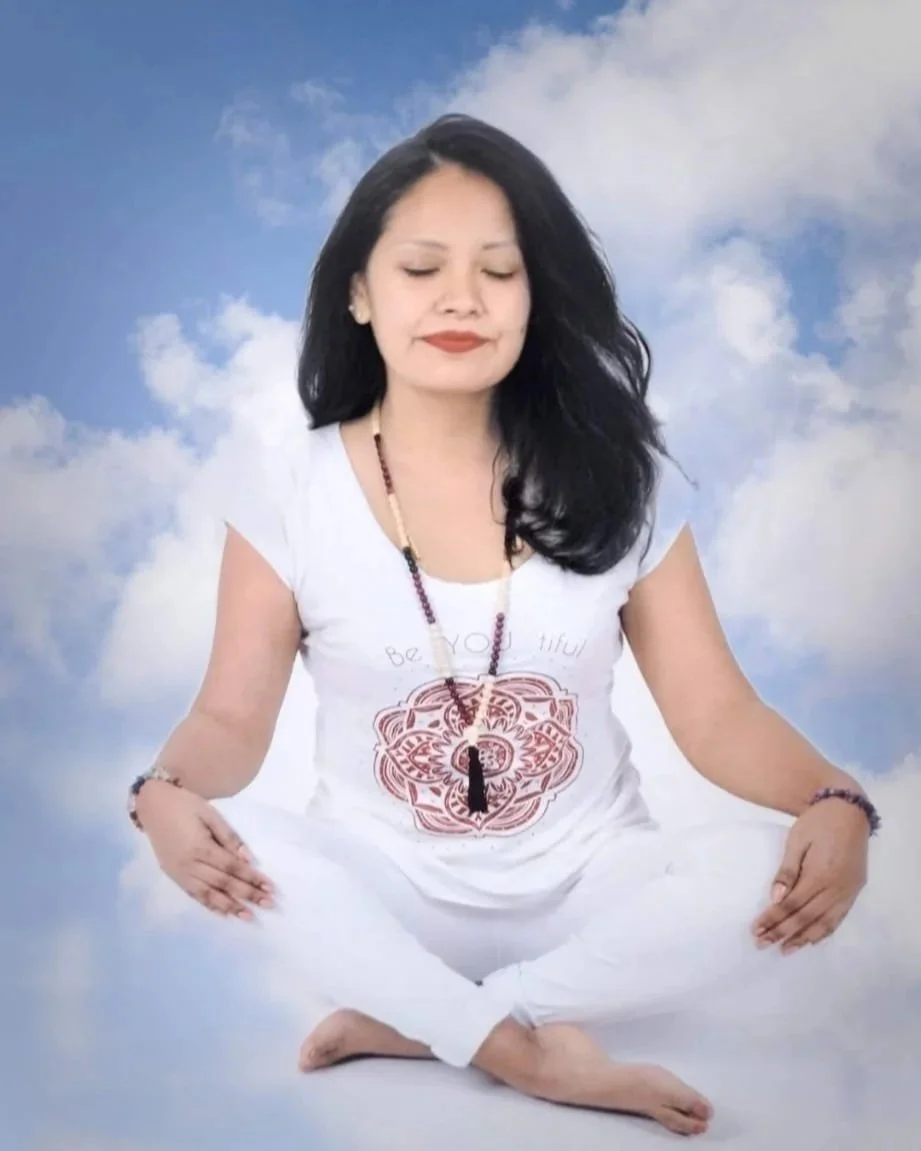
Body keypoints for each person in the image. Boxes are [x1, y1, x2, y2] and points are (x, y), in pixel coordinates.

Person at [128, 114, 879, 1138]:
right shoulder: (287, 486)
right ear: (359, 291)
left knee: (768, 866)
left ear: (538, 295)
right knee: (232, 840)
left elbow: (718, 712)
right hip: (385, 887)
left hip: (591, 885)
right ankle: (527, 1047)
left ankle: (426, 1018)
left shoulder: (626, 478)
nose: (460, 299)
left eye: (499, 270)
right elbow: (228, 716)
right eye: (421, 266)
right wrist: (163, 790)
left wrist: (835, 797)